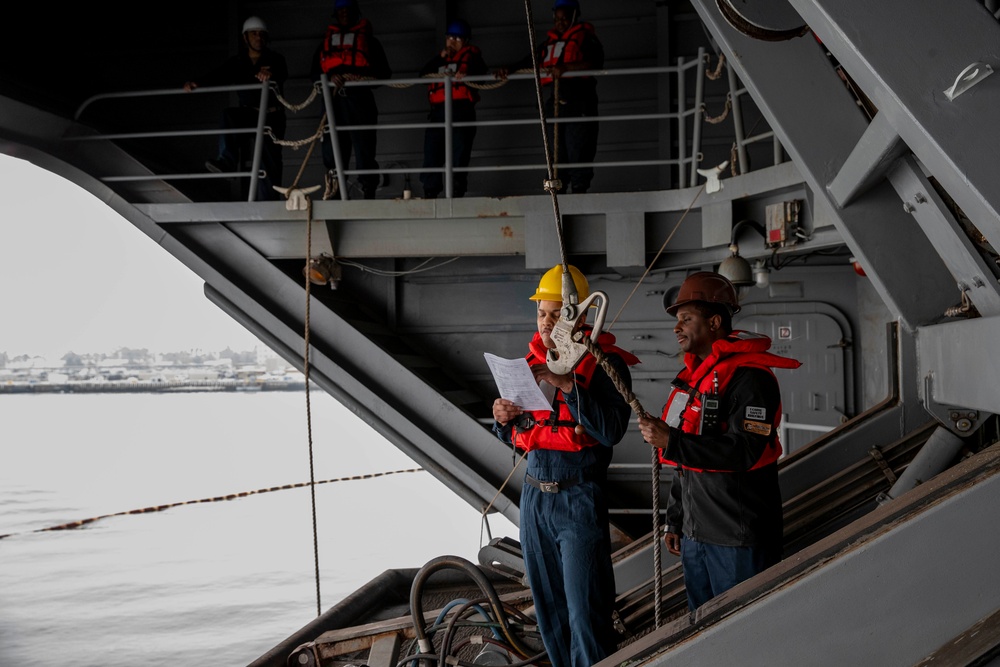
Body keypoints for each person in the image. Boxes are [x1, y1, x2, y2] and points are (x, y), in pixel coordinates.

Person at [491, 265, 639, 667]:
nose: (547, 322)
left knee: (585, 612)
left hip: (578, 497)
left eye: (557, 313)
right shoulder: (526, 366)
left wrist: (567, 385)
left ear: (580, 317)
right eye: (542, 313)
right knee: (550, 614)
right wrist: (502, 419)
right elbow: (517, 435)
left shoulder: (607, 364)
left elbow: (611, 431)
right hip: (535, 500)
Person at [636, 271, 801, 612]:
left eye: (686, 318)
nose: (676, 327)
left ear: (713, 322)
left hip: (737, 537)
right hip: (697, 535)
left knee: (745, 629)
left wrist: (672, 440)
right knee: (704, 626)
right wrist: (677, 519)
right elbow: (686, 461)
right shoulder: (694, 379)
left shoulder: (751, 379)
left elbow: (744, 450)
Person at [495, 0, 603, 194]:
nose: (560, 23)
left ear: (574, 17)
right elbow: (530, 60)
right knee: (556, 153)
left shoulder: (586, 39)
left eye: (565, 18)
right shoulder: (548, 44)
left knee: (578, 149)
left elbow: (596, 62)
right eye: (558, 19)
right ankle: (558, 191)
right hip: (555, 104)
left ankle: (579, 190)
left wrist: (566, 68)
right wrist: (508, 69)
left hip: (579, 104)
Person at [184, 16, 288, 201]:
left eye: (262, 34)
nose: (258, 37)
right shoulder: (238, 62)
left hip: (272, 116)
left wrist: (270, 74)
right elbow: (219, 75)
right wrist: (197, 83)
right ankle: (227, 163)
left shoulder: (275, 59)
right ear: (245, 38)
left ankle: (268, 202)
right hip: (249, 112)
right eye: (254, 34)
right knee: (229, 116)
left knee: (268, 161)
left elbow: (282, 73)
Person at [312, 0, 392, 199]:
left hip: (360, 101)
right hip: (333, 103)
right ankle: (334, 193)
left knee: (364, 148)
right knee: (332, 150)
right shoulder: (325, 43)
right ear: (336, 15)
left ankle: (368, 191)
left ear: (356, 13)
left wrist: (363, 79)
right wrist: (330, 78)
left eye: (348, 10)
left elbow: (384, 73)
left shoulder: (370, 42)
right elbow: (314, 74)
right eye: (341, 11)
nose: (345, 14)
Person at [418, 19, 488, 199]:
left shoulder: (472, 58)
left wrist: (467, 75)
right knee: (432, 150)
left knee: (460, 151)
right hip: (438, 111)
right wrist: (440, 57)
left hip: (461, 110)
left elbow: (481, 75)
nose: (452, 42)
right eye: (450, 37)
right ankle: (430, 190)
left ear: (466, 41)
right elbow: (423, 74)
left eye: (457, 39)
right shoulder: (439, 60)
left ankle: (457, 191)